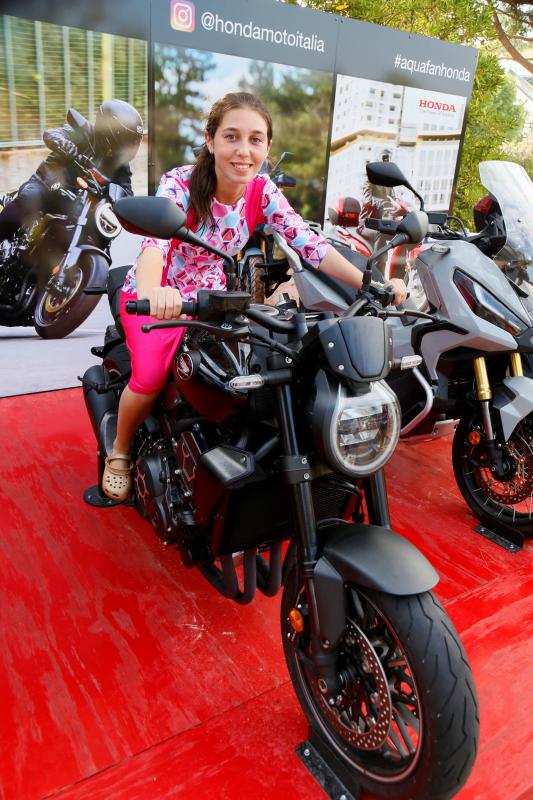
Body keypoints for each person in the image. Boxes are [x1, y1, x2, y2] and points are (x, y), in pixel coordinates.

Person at [102, 92, 407, 501]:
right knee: (150, 376)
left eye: (255, 139)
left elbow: (310, 245)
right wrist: (154, 292)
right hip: (160, 299)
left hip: (216, 302)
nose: (243, 150)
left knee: (247, 375)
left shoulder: (262, 190)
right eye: (231, 136)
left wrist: (369, 283)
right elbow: (154, 247)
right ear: (210, 140)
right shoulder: (180, 182)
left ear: (266, 146)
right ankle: (120, 450)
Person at [0, 99, 143, 242]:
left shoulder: (121, 166)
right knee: (29, 198)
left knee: (101, 235)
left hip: (80, 204)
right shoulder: (85, 133)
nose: (129, 145)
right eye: (127, 139)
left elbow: (126, 193)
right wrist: (64, 143)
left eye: (133, 141)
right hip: (48, 185)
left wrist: (116, 199)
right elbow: (51, 134)